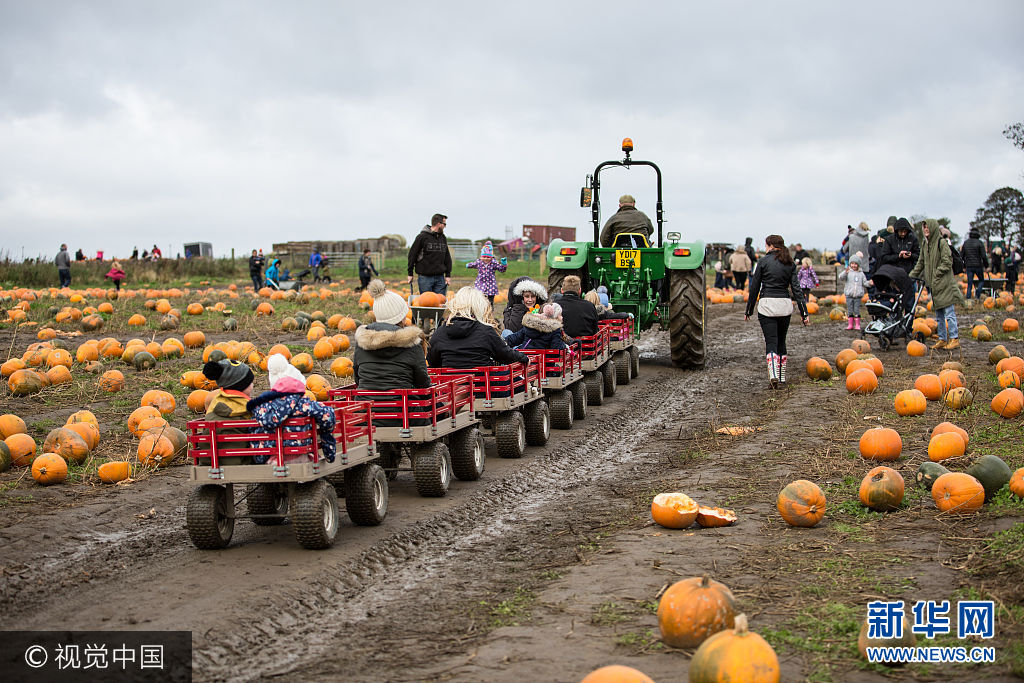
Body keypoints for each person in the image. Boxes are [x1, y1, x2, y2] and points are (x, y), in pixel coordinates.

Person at [247, 354, 337, 464]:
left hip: (271, 459)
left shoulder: (264, 406)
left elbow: (253, 428)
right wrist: (327, 441)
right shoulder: (304, 404)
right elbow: (328, 415)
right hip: (300, 456)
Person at [744, 235, 808, 388]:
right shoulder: (789, 262)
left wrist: (749, 309)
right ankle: (781, 377)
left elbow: (754, 288)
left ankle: (772, 375)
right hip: (784, 305)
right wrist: (804, 312)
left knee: (771, 341)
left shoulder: (763, 262)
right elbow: (797, 289)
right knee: (781, 341)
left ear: (770, 245)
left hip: (767, 305)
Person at [352, 280, 431, 391]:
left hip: (367, 404)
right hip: (403, 405)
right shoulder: (412, 342)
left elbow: (358, 378)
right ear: (402, 318)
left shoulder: (362, 342)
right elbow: (422, 382)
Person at [427, 287, 529, 369]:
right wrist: (523, 358)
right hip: (483, 385)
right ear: (479, 306)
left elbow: (432, 361)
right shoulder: (486, 330)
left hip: (452, 387)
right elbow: (505, 355)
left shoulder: (440, 332)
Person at [911, 219, 962, 350]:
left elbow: (947, 262)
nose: (926, 230)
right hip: (934, 284)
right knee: (938, 313)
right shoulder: (925, 244)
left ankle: (954, 338)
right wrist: (911, 276)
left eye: (928, 227)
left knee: (949, 312)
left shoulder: (941, 243)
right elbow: (920, 263)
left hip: (944, 282)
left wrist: (936, 273)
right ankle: (942, 339)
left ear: (933, 228)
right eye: (924, 228)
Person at [407, 214, 452, 295]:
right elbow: (412, 255)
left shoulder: (443, 238)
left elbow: (447, 257)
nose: (445, 226)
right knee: (427, 304)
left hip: (440, 278)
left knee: (440, 304)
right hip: (425, 278)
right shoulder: (422, 237)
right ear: (438, 224)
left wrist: (448, 275)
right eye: (444, 224)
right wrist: (410, 273)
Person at [504, 303, 575, 351]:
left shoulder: (530, 326)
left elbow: (515, 338)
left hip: (524, 357)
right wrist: (565, 346)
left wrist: (501, 344)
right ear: (555, 317)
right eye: (560, 315)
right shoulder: (555, 330)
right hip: (542, 364)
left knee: (506, 332)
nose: (562, 317)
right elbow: (557, 348)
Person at [838, 255, 870, 330]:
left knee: (856, 310)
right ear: (850, 264)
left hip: (858, 295)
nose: (853, 265)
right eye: (852, 263)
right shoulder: (848, 272)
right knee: (850, 310)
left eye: (855, 264)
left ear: (858, 265)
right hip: (849, 294)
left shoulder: (861, 274)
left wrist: (870, 283)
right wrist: (845, 272)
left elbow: (865, 283)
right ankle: (850, 324)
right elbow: (841, 277)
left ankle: (857, 325)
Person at [961, 228, 988, 299]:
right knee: (981, 280)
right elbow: (983, 256)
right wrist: (986, 265)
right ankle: (977, 296)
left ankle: (968, 298)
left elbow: (962, 256)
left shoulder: (966, 243)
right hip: (978, 265)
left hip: (969, 266)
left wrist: (963, 266)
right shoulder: (980, 243)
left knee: (969, 283)